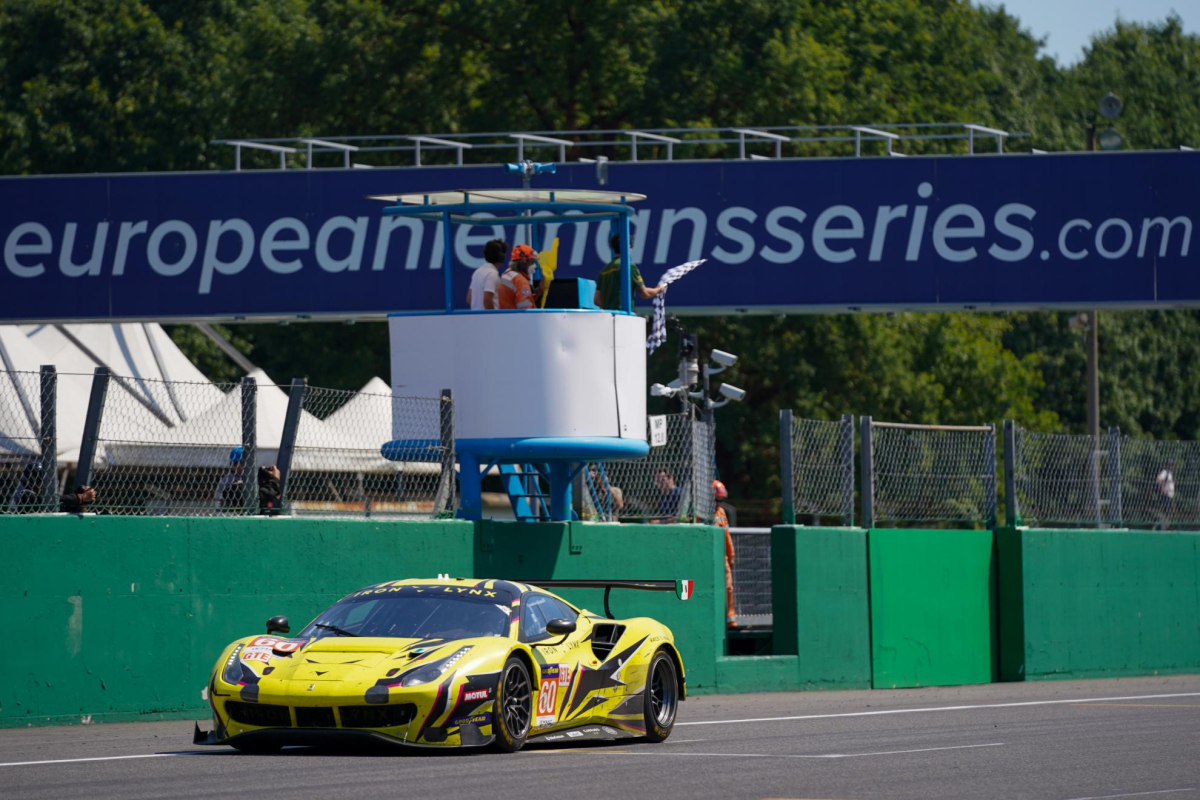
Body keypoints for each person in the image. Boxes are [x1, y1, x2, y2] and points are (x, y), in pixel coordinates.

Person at [594, 233, 665, 311]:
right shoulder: (629, 266)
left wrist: (610, 309)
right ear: (629, 247)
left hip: (607, 317)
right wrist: (659, 289)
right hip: (624, 317)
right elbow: (645, 293)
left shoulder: (604, 271)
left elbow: (596, 300)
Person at [9, 461, 95, 513]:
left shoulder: (31, 493)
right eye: (43, 480)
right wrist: (78, 498)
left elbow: (58, 506)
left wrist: (81, 500)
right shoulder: (25, 494)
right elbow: (49, 501)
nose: (46, 484)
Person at [713, 480, 736, 628]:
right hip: (712, 557)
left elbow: (726, 536)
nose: (718, 503)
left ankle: (730, 619)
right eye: (716, 500)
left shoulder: (721, 512)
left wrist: (731, 555)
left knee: (728, 587)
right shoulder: (702, 514)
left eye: (720, 500)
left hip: (722, 558)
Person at [466, 238, 505, 310]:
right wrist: (493, 317)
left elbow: (469, 298)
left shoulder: (477, 272)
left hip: (475, 317)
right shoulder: (492, 274)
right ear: (501, 257)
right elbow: (487, 300)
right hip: (488, 319)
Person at [497, 244, 539, 310]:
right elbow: (526, 308)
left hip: (504, 317)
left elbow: (511, 297)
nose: (535, 266)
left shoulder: (506, 274)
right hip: (515, 319)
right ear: (523, 263)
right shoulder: (521, 281)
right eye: (532, 262)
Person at [1156, 458, 1175, 530]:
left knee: (1169, 513)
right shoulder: (1165, 472)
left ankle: (1165, 527)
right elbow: (1158, 479)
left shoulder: (1170, 474)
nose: (1170, 466)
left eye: (1171, 465)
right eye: (1169, 465)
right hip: (1167, 496)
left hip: (1170, 496)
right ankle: (1162, 528)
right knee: (1166, 513)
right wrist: (1163, 488)